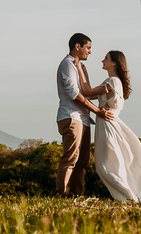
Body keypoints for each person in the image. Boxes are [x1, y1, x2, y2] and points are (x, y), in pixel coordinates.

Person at [83, 50, 141, 202]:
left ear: (114, 63)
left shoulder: (112, 81)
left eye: (106, 58)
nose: (102, 60)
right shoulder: (113, 82)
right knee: (111, 165)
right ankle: (129, 196)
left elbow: (86, 91)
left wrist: (80, 69)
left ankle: (129, 197)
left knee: (106, 167)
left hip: (108, 126)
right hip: (108, 124)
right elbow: (88, 95)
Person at [56, 33, 114, 195]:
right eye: (88, 48)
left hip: (83, 119)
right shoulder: (67, 64)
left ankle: (76, 195)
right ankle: (61, 194)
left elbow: (86, 93)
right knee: (70, 158)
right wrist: (97, 111)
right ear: (77, 46)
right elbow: (74, 94)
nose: (90, 51)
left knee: (82, 161)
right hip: (71, 116)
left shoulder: (79, 66)